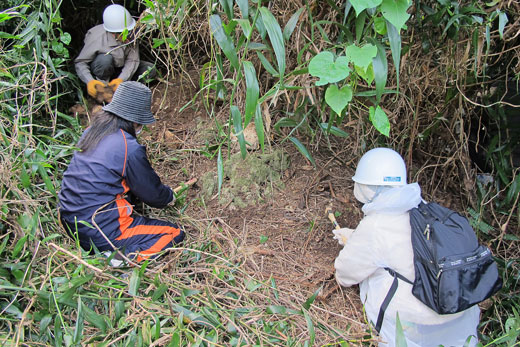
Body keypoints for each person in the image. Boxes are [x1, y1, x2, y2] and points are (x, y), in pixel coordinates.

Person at [333, 148, 480, 347]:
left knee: (378, 276)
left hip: (417, 328)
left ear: (367, 187)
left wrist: (356, 245)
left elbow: (345, 274)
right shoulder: (425, 209)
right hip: (459, 321)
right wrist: (355, 238)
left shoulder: (377, 225)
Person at [58, 81, 184, 262]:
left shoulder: (91, 132)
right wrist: (168, 196)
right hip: (100, 230)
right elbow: (152, 194)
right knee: (173, 233)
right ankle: (122, 259)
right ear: (134, 120)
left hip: (70, 222)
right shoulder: (128, 147)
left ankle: (107, 250)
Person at [75, 4, 155, 100]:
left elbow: (132, 61)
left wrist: (121, 79)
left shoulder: (131, 32)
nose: (128, 35)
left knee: (150, 69)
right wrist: (90, 81)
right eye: (123, 33)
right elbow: (80, 62)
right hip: (102, 71)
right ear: (113, 33)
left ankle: (123, 91)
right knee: (105, 60)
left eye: (129, 31)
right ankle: (103, 93)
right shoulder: (97, 38)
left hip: (121, 70)